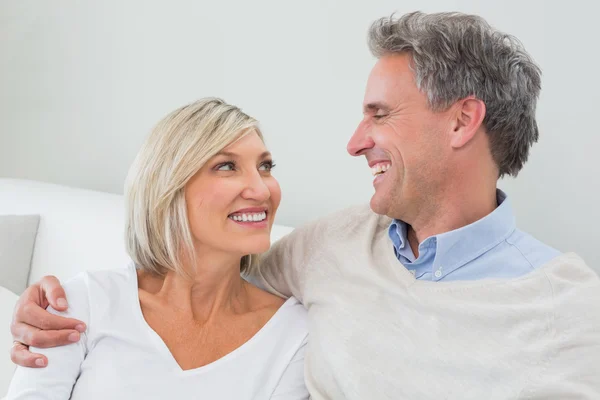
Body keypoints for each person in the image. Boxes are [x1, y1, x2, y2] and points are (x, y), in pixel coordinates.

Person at [10, 11, 600, 399]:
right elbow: (209, 281)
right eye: (228, 166)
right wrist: (43, 308)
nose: (355, 141)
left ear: (462, 120)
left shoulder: (569, 310)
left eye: (380, 114)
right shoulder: (333, 245)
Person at [6, 98, 309, 399]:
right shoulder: (83, 302)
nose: (261, 189)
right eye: (227, 166)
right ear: (168, 186)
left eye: (265, 166)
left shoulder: (295, 334)